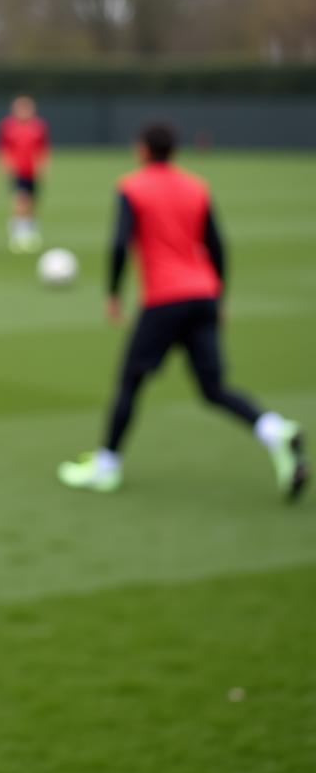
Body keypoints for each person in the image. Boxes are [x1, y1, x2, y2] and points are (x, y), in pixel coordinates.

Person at [58, 122, 308, 499]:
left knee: (131, 382)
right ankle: (276, 431)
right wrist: (220, 298)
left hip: (165, 299)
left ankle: (107, 466)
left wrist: (112, 293)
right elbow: (219, 245)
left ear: (142, 150)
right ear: (173, 151)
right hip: (203, 295)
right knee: (213, 388)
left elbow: (118, 244)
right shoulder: (196, 186)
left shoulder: (132, 186)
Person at [0, 95, 49, 253]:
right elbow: (3, 148)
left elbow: (43, 149)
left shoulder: (38, 126)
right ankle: (17, 232)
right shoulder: (8, 126)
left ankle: (30, 229)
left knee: (32, 202)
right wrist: (6, 165)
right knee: (20, 200)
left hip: (32, 170)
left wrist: (43, 166)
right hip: (17, 170)